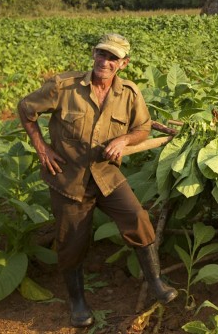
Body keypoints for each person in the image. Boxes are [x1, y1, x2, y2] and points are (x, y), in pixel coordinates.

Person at [18, 33, 177, 327]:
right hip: (69, 179)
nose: (105, 61)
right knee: (71, 243)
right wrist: (42, 149)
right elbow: (26, 109)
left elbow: (142, 127)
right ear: (94, 54)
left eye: (113, 57)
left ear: (123, 64)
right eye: (102, 54)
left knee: (138, 218)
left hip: (106, 175)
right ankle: (78, 302)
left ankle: (156, 282)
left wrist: (125, 139)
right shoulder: (64, 87)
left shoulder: (129, 93)